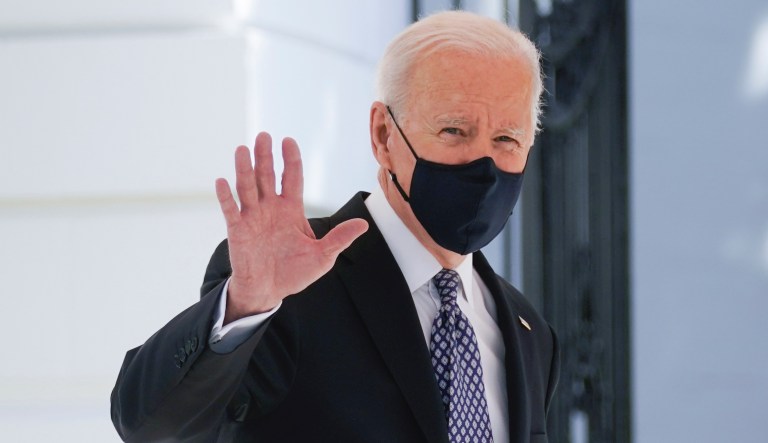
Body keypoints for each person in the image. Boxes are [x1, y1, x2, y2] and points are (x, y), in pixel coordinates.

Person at [111, 10, 559, 443]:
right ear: (384, 135)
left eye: (506, 139)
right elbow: (154, 428)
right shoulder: (290, 287)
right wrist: (248, 302)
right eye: (453, 131)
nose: (481, 164)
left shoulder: (531, 335)